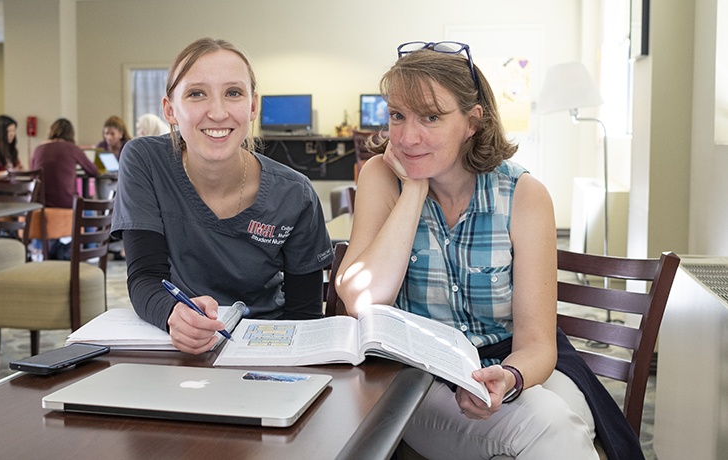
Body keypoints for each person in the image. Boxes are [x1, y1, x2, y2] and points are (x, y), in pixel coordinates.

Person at [335, 42, 642, 460]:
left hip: (516, 361)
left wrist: (511, 377)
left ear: (472, 122)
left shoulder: (522, 194)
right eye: (397, 116)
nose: (407, 137)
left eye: (431, 117)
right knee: (552, 428)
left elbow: (537, 341)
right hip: (419, 377)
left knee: (556, 423)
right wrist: (414, 189)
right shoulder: (382, 177)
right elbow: (361, 300)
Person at [112, 37, 333, 355]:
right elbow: (146, 277)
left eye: (233, 93)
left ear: (253, 106)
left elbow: (305, 315)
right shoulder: (144, 160)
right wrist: (173, 313)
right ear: (170, 109)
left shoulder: (295, 195)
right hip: (177, 342)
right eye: (196, 94)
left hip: (265, 346)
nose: (217, 113)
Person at [30, 118, 98, 208]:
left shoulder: (38, 149)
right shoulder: (72, 148)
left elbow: (32, 175)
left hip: (40, 204)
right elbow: (93, 170)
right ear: (71, 133)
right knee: (88, 210)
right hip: (66, 203)